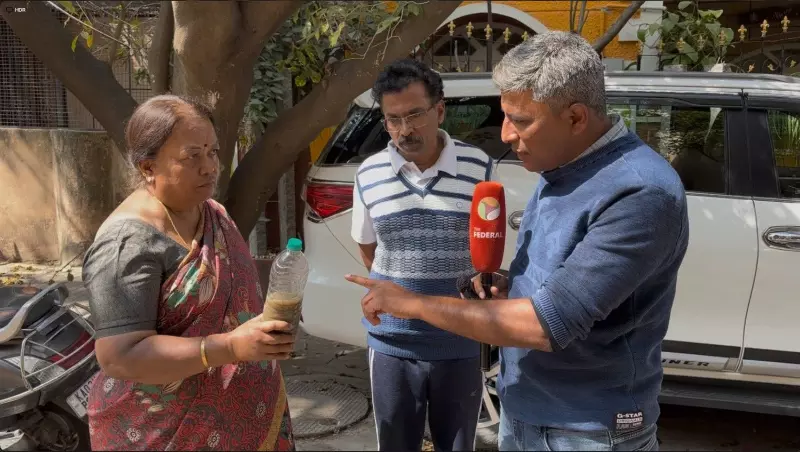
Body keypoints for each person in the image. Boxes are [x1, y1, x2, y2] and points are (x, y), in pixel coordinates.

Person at [346, 31, 689, 451]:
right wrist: (513, 287)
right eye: (505, 116)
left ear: (576, 117)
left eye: (521, 120)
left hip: (584, 429)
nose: (505, 134)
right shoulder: (560, 167)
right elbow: (559, 280)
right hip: (530, 408)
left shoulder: (639, 193)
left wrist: (410, 303)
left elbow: (548, 324)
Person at [82, 95, 296, 451]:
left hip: (246, 420)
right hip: (163, 433)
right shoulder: (127, 244)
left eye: (212, 152)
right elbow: (119, 356)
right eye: (192, 156)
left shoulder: (212, 213)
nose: (210, 167)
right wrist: (229, 347)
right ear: (148, 167)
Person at [351, 58, 494, 451]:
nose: (405, 129)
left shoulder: (480, 167)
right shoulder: (369, 174)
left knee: (458, 444)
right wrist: (400, 294)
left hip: (461, 337)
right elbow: (369, 248)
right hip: (393, 343)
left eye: (415, 114)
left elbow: (485, 243)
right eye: (393, 119)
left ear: (440, 109)